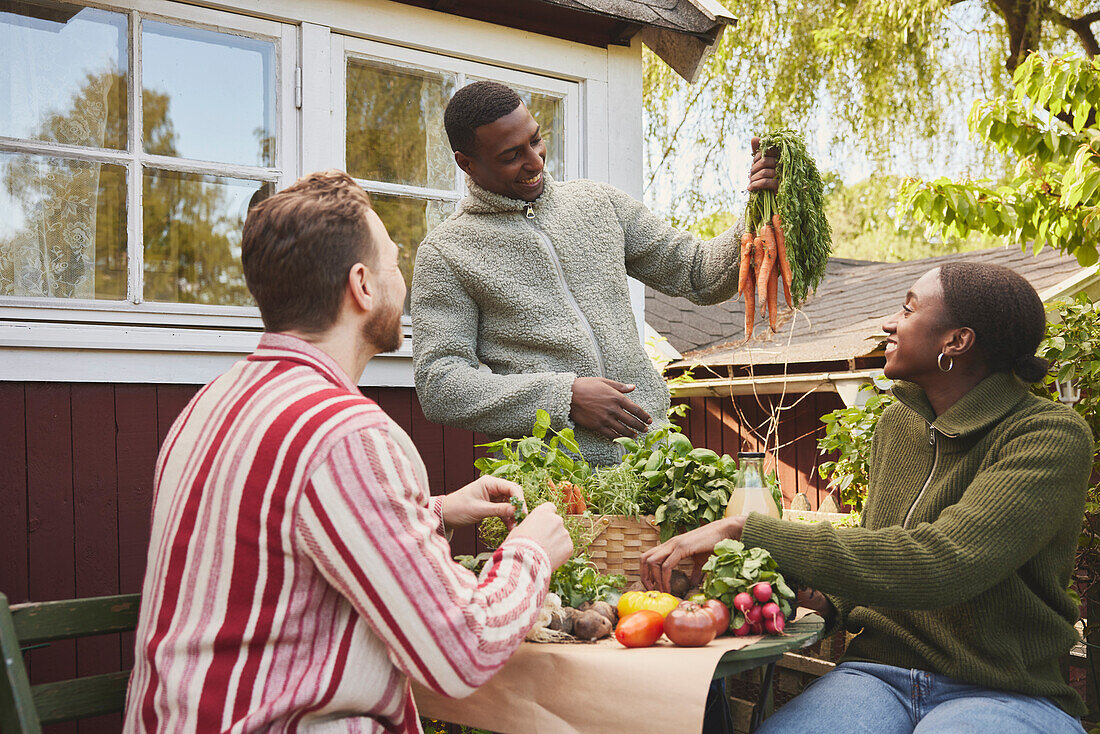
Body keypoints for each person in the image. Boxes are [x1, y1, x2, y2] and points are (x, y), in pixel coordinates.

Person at [122, 170, 573, 734]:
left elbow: (279, 530)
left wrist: (433, 511)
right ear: (362, 285)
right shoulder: (345, 433)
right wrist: (531, 552)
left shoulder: (212, 402)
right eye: (392, 262)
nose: (401, 281)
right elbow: (460, 651)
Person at [641, 262, 1094, 733]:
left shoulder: (1047, 434)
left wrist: (746, 530)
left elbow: (944, 563)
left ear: (955, 342)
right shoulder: (898, 426)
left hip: (1003, 690)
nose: (888, 323)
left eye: (908, 309)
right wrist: (819, 598)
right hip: (878, 676)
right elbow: (877, 545)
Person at [411, 80, 777, 466]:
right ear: (466, 162)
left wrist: (759, 207)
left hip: (653, 466)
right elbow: (441, 383)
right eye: (511, 155)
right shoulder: (446, 253)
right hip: (554, 484)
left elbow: (698, 273)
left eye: (536, 140)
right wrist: (565, 396)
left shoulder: (598, 204)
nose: (535, 161)